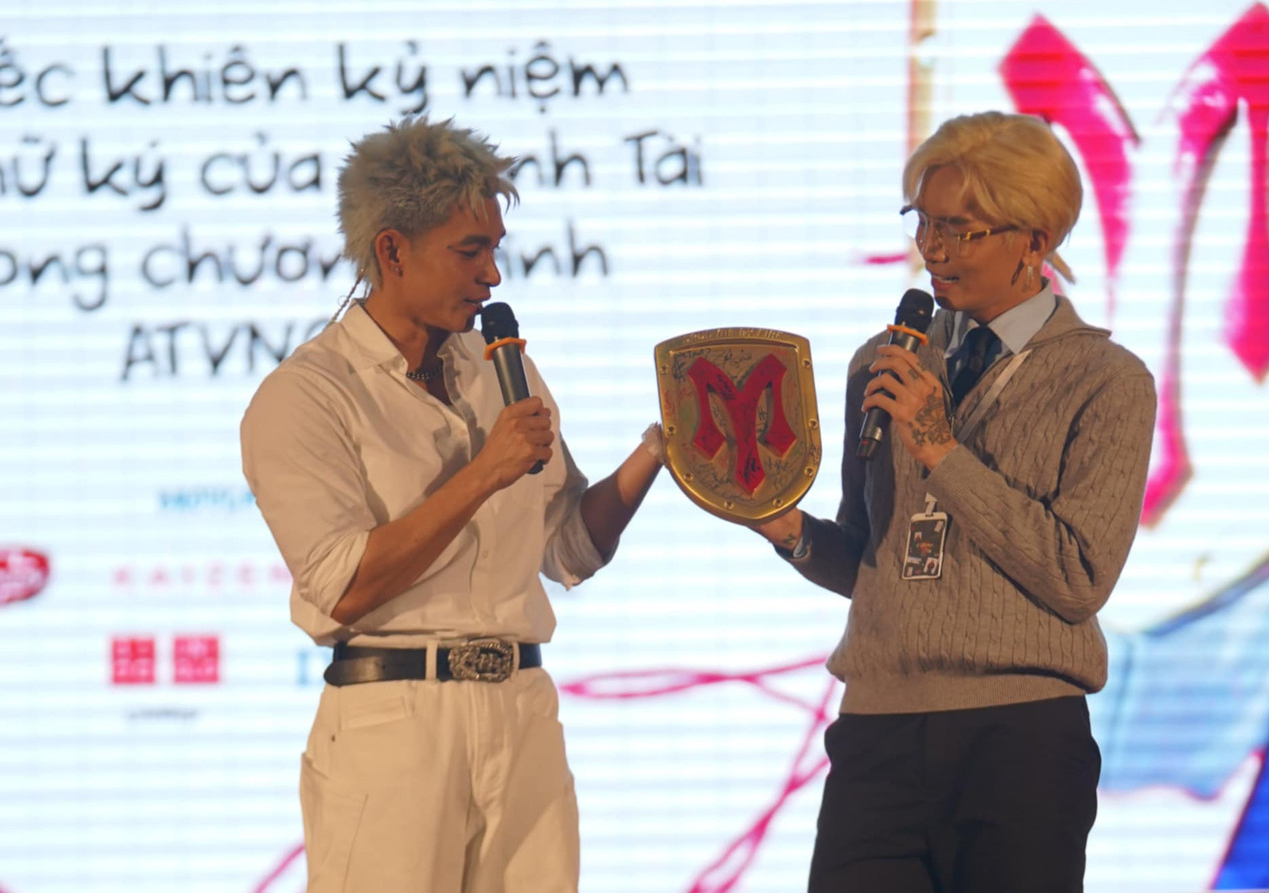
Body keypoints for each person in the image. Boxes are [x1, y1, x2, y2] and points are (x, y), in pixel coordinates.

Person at [240, 116, 665, 893]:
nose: (493, 275)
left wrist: (660, 447)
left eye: (496, 249)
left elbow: (568, 548)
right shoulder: (308, 395)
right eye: (470, 252)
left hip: (522, 709)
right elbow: (342, 586)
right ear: (392, 251)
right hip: (394, 717)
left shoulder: (502, 369)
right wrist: (483, 474)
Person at [749, 111, 1157, 892]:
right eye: (924, 223)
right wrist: (788, 528)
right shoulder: (885, 362)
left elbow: (1078, 577)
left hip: (1020, 737)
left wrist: (942, 450)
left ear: (1035, 240)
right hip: (878, 729)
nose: (932, 250)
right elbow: (870, 559)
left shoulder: (1106, 382)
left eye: (959, 231)